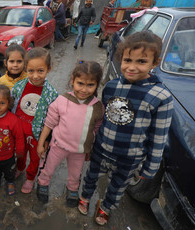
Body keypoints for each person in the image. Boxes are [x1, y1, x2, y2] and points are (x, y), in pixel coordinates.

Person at [78, 31, 174, 225]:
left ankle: (105, 208)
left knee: (118, 186)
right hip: (102, 148)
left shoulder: (161, 96)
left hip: (130, 157)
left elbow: (158, 136)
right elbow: (103, 117)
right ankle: (85, 197)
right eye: (127, 59)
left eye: (141, 62)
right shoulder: (112, 86)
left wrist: (152, 166)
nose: (131, 67)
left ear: (155, 63)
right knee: (90, 176)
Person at [36, 60, 104, 204]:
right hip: (57, 146)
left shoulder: (97, 107)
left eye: (90, 85)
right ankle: (43, 183)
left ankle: (72, 189)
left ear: (97, 85)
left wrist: (90, 149)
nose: (84, 90)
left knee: (76, 173)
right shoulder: (62, 101)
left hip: (79, 151)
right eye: (80, 83)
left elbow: (95, 130)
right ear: (72, 81)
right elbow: (49, 124)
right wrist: (41, 143)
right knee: (48, 168)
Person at [11, 47, 59, 193]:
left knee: (35, 158)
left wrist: (47, 139)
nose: (35, 76)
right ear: (26, 69)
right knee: (19, 152)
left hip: (37, 136)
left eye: (40, 71)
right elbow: (11, 108)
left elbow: (53, 119)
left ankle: (31, 178)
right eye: (31, 71)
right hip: (19, 133)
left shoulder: (52, 94)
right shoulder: (18, 87)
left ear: (48, 69)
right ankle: (20, 168)